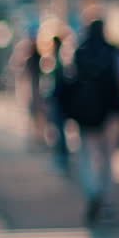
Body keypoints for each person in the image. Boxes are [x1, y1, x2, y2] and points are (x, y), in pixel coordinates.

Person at [60, 19, 119, 223]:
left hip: (85, 113)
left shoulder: (78, 52)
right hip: (111, 110)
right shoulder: (114, 52)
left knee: (86, 156)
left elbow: (69, 81)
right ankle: (106, 201)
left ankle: (92, 192)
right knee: (107, 158)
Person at [46, 35, 70, 174]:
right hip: (60, 102)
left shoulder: (58, 62)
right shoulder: (59, 61)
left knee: (59, 132)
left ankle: (61, 159)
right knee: (58, 131)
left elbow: (58, 85)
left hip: (59, 103)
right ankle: (61, 158)